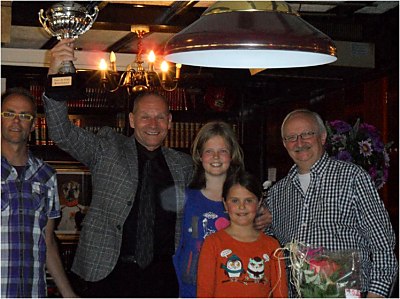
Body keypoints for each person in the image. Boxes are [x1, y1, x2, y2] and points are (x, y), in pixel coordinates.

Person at [44, 38, 272, 297]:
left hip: (162, 276)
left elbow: (219, 185)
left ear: (170, 121)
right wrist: (56, 74)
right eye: (145, 116)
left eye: (160, 117)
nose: (153, 124)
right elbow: (61, 132)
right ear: (131, 120)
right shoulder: (106, 148)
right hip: (105, 273)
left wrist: (259, 209)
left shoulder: (184, 165)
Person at [265, 109, 398, 298]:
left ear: (322, 137)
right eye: (291, 137)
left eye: (307, 134)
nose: (299, 142)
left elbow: (382, 243)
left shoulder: (352, 177)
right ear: (285, 144)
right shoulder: (277, 193)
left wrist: (377, 294)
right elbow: (269, 247)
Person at [1, 87, 77, 297]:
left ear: (34, 124)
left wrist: (69, 295)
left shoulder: (46, 176)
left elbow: (48, 241)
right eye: (9, 114)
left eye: (24, 115)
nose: (16, 121)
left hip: (33, 291)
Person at [173, 121, 244, 297]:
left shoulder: (243, 202)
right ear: (199, 155)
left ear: (232, 155)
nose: (216, 157)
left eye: (223, 151)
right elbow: (176, 248)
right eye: (209, 151)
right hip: (190, 290)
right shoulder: (185, 199)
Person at [197, 170, 288, 298]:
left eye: (249, 200)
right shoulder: (212, 243)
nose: (241, 207)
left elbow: (281, 292)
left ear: (259, 202)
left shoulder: (272, 245)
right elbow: (204, 292)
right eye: (235, 201)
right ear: (225, 203)